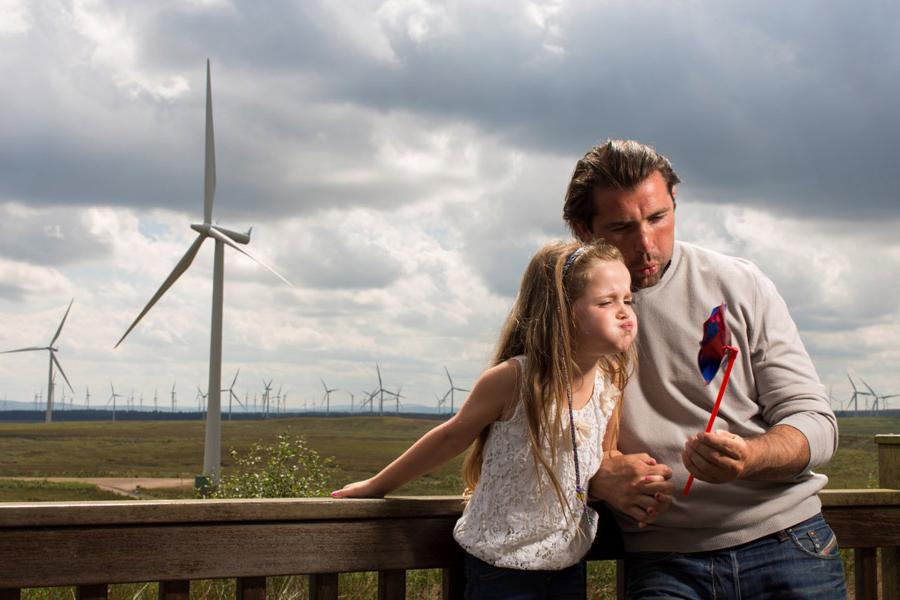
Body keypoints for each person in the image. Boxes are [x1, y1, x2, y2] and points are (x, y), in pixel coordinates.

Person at [564, 139, 847, 598]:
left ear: (675, 201)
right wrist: (598, 476)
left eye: (658, 218)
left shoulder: (740, 282)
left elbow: (817, 425)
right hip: (662, 559)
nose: (646, 244)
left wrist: (750, 457)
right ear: (583, 230)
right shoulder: (558, 311)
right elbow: (521, 438)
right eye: (621, 227)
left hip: (789, 542)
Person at [332, 240, 654, 599]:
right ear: (562, 312)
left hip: (568, 564)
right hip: (502, 566)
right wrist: (376, 487)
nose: (624, 312)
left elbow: (599, 458)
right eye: (605, 302)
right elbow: (450, 437)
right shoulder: (515, 379)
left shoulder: (611, 383)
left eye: (628, 300)